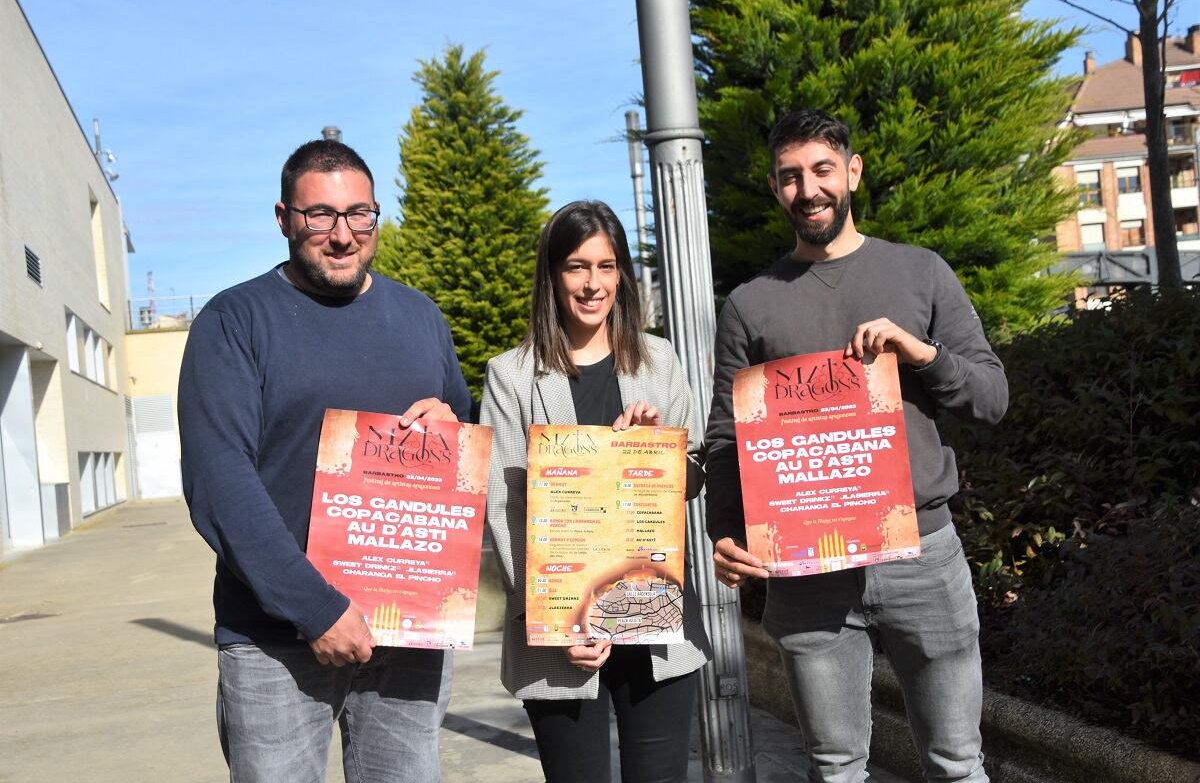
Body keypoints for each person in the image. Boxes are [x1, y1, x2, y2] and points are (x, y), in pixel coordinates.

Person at [704, 109, 1008, 783]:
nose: (807, 189)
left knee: (957, 764)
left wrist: (920, 353)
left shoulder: (921, 273)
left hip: (923, 556)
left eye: (820, 170)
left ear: (852, 172)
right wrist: (724, 528)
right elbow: (726, 434)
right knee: (835, 767)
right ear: (774, 187)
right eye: (789, 176)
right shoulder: (750, 305)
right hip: (807, 568)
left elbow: (991, 397)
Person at [178, 139, 471, 783]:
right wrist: (316, 609)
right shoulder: (235, 321)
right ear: (284, 218)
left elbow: (463, 454)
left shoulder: (420, 317)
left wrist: (452, 431)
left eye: (358, 214)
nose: (342, 236)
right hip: (277, 637)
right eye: (320, 216)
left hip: (407, 630)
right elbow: (219, 481)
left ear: (374, 217)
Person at [480, 200, 712, 783]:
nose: (592, 284)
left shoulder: (659, 360)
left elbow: (694, 476)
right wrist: (561, 623)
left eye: (607, 267)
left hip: (656, 628)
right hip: (560, 640)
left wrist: (656, 453)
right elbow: (504, 509)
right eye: (577, 267)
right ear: (553, 275)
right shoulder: (511, 375)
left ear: (623, 275)